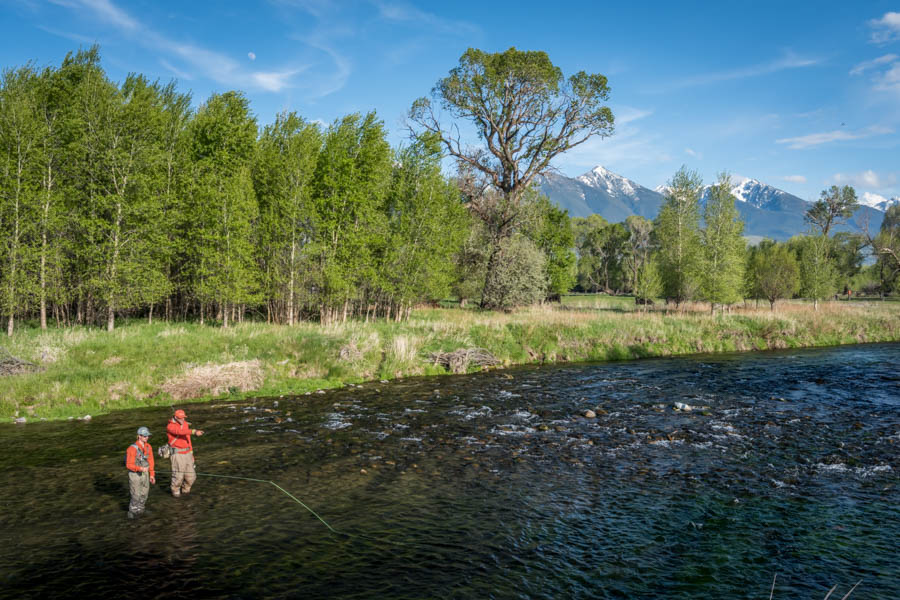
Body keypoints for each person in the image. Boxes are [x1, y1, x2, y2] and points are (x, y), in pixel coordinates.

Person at [166, 409, 204, 497]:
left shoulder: (185, 424)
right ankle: (175, 493)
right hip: (177, 454)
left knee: (191, 477)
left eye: (184, 417)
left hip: (187, 453)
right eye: (180, 418)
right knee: (178, 477)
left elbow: (188, 439)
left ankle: (186, 492)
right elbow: (179, 432)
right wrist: (193, 431)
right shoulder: (170, 426)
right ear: (175, 417)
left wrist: (191, 453)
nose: (183, 419)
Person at [125, 426, 155, 518]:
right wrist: (140, 469)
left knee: (144, 493)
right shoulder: (132, 449)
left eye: (147, 436)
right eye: (145, 436)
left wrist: (152, 475)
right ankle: (132, 511)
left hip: (146, 474)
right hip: (135, 474)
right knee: (136, 495)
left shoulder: (148, 447)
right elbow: (128, 465)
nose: (147, 437)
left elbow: (151, 461)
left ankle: (141, 510)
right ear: (139, 436)